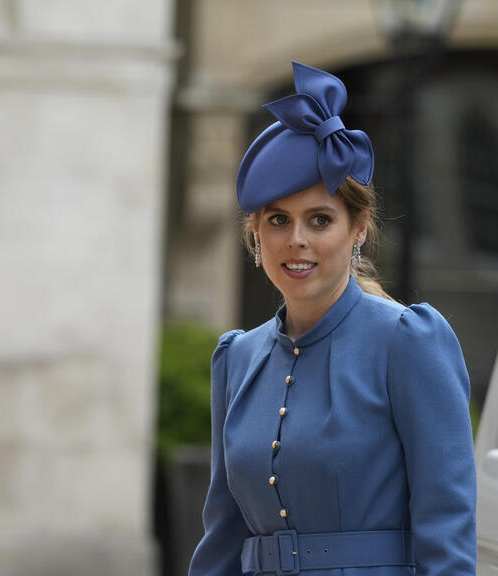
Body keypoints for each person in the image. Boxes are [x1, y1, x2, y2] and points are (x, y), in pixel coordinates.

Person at [189, 62, 476, 576]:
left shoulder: (408, 341)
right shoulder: (236, 357)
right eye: (278, 220)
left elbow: (447, 528)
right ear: (256, 234)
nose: (296, 239)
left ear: (358, 229)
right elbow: (222, 535)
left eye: (319, 219)